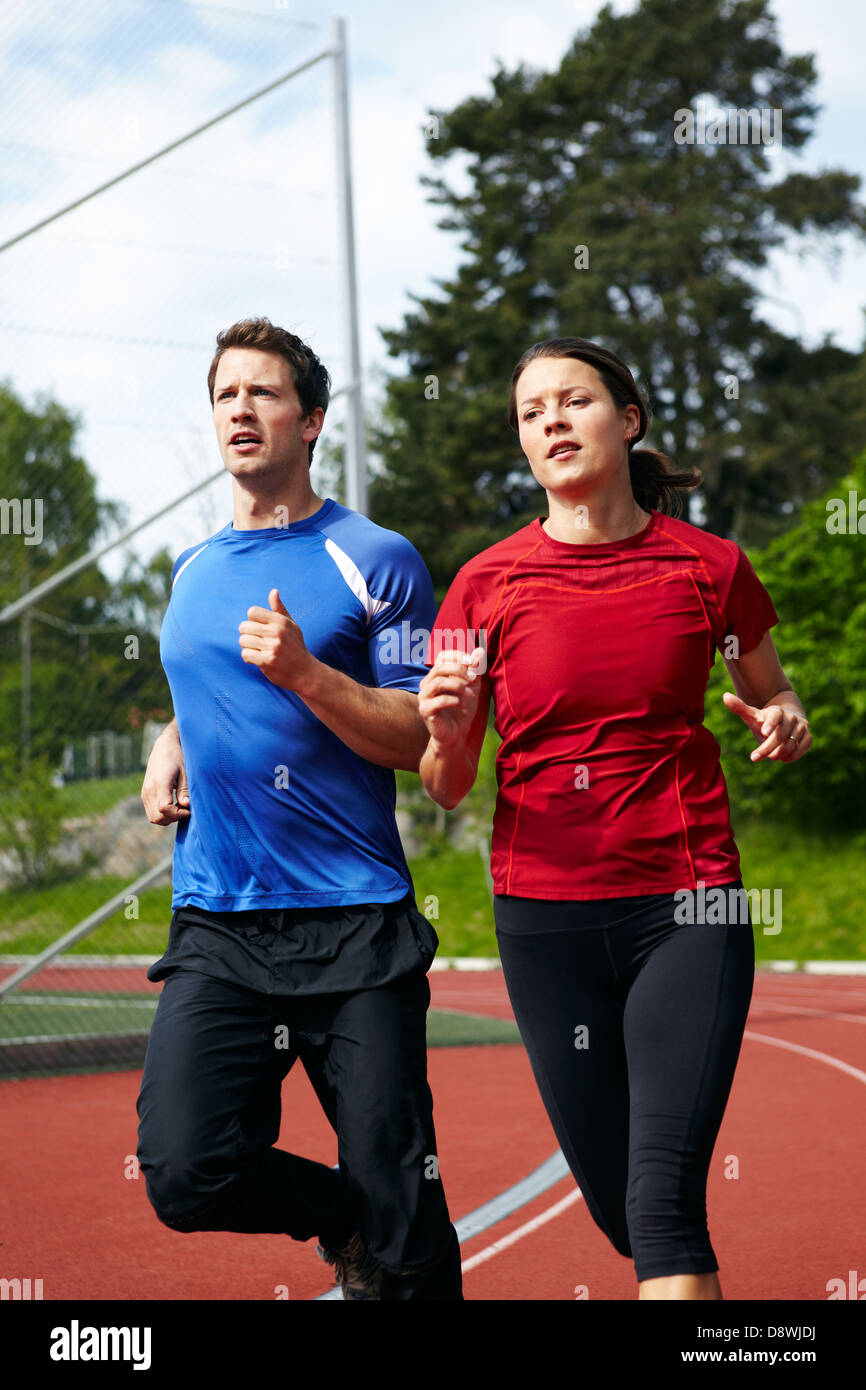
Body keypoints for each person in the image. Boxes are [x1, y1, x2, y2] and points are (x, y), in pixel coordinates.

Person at [417, 336, 811, 1300]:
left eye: (573, 400)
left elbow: (774, 687)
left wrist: (787, 717)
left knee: (663, 1206)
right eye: (531, 411)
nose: (550, 419)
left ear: (626, 420)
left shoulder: (711, 568)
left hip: (690, 903)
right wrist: (452, 727)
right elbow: (447, 783)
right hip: (544, 914)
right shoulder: (481, 585)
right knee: (615, 1206)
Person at [137, 316, 462, 1301]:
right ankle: (339, 1214)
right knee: (187, 1169)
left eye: (263, 392)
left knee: (404, 1205)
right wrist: (170, 739)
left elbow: (416, 739)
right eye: (224, 393)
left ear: (311, 418)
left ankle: (383, 1222)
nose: (239, 407)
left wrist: (309, 676)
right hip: (220, 926)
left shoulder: (375, 556)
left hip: (355, 923)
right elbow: (203, 687)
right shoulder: (190, 572)